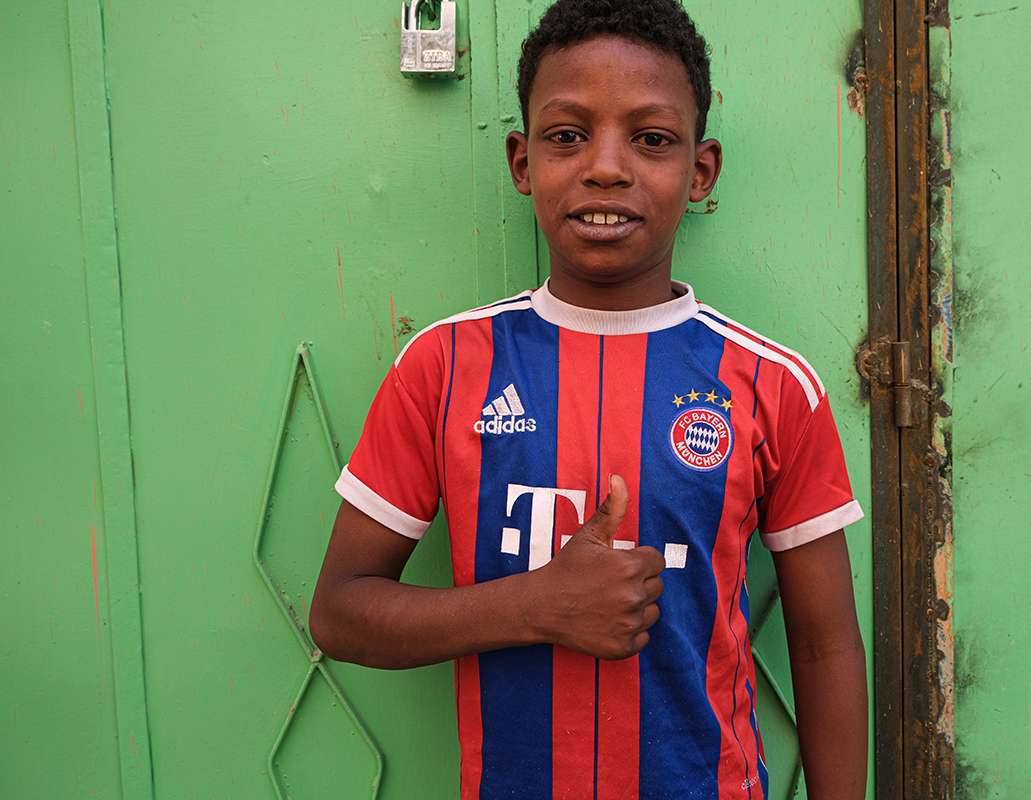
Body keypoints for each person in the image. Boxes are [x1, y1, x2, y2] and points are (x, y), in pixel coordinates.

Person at [310, 0, 868, 797]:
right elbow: (339, 613)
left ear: (701, 170)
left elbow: (824, 647)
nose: (606, 167)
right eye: (568, 135)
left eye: (652, 139)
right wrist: (535, 606)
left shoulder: (773, 385)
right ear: (521, 160)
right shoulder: (444, 366)